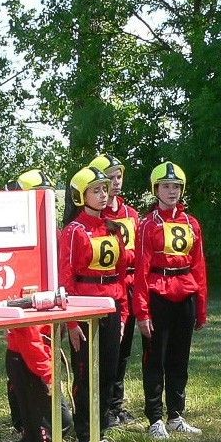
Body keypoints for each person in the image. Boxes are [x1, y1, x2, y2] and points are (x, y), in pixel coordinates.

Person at [0, 169, 57, 442]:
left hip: (41, 351)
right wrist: (46, 370)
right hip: (27, 356)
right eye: (39, 196)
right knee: (46, 426)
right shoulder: (22, 250)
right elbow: (25, 326)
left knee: (58, 423)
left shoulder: (45, 244)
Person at [133, 162, 208, 439]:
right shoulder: (147, 225)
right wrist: (141, 312)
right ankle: (155, 418)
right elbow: (140, 270)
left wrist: (201, 307)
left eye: (176, 186)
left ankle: (176, 414)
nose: (171, 191)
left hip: (185, 292)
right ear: (156, 190)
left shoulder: (191, 223)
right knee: (155, 359)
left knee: (180, 358)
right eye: (166, 186)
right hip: (158, 294)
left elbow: (199, 266)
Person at [58, 166, 129, 442]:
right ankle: (84, 435)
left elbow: (121, 273)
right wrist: (72, 322)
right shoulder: (74, 231)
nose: (104, 194)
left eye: (105, 189)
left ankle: (100, 432)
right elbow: (66, 278)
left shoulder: (113, 228)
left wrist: (122, 314)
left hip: (110, 307)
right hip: (85, 311)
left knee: (109, 373)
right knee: (86, 374)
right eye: (96, 190)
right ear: (80, 196)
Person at [91, 154, 141, 427]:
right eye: (110, 177)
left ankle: (115, 405)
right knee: (103, 352)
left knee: (122, 350)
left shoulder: (131, 214)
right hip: (107, 287)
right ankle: (99, 408)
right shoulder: (96, 217)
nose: (116, 182)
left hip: (130, 288)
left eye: (119, 176)